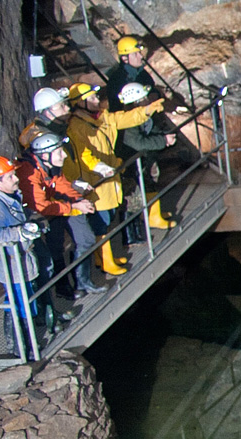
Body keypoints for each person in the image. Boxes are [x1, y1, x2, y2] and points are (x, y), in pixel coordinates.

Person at [64, 82, 167, 276]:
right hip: (95, 179)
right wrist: (99, 167)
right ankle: (104, 260)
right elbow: (83, 152)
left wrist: (146, 111)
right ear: (81, 103)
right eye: (92, 98)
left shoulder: (101, 117)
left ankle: (102, 257)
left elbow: (123, 119)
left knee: (108, 217)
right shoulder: (76, 126)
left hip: (108, 175)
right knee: (101, 221)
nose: (97, 100)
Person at [17, 130, 106, 299]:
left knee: (85, 239)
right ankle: (62, 287)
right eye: (59, 152)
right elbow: (40, 206)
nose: (64, 156)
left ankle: (82, 281)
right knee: (53, 250)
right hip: (43, 213)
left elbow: (60, 183)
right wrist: (73, 205)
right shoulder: (28, 173)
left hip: (56, 206)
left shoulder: (49, 166)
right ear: (44, 155)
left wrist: (78, 200)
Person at [0, 156, 44, 357]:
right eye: (9, 177)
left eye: (13, 174)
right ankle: (25, 348)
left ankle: (15, 346)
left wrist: (33, 222)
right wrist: (20, 232)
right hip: (11, 263)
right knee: (23, 303)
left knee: (16, 300)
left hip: (19, 260)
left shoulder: (10, 196)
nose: (15, 178)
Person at [115, 80, 178, 229]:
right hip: (131, 161)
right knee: (133, 197)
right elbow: (138, 142)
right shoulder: (128, 120)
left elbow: (152, 131)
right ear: (136, 102)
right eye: (144, 99)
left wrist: (164, 137)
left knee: (150, 184)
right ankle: (134, 232)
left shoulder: (144, 116)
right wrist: (162, 141)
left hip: (144, 159)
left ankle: (153, 216)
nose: (148, 101)